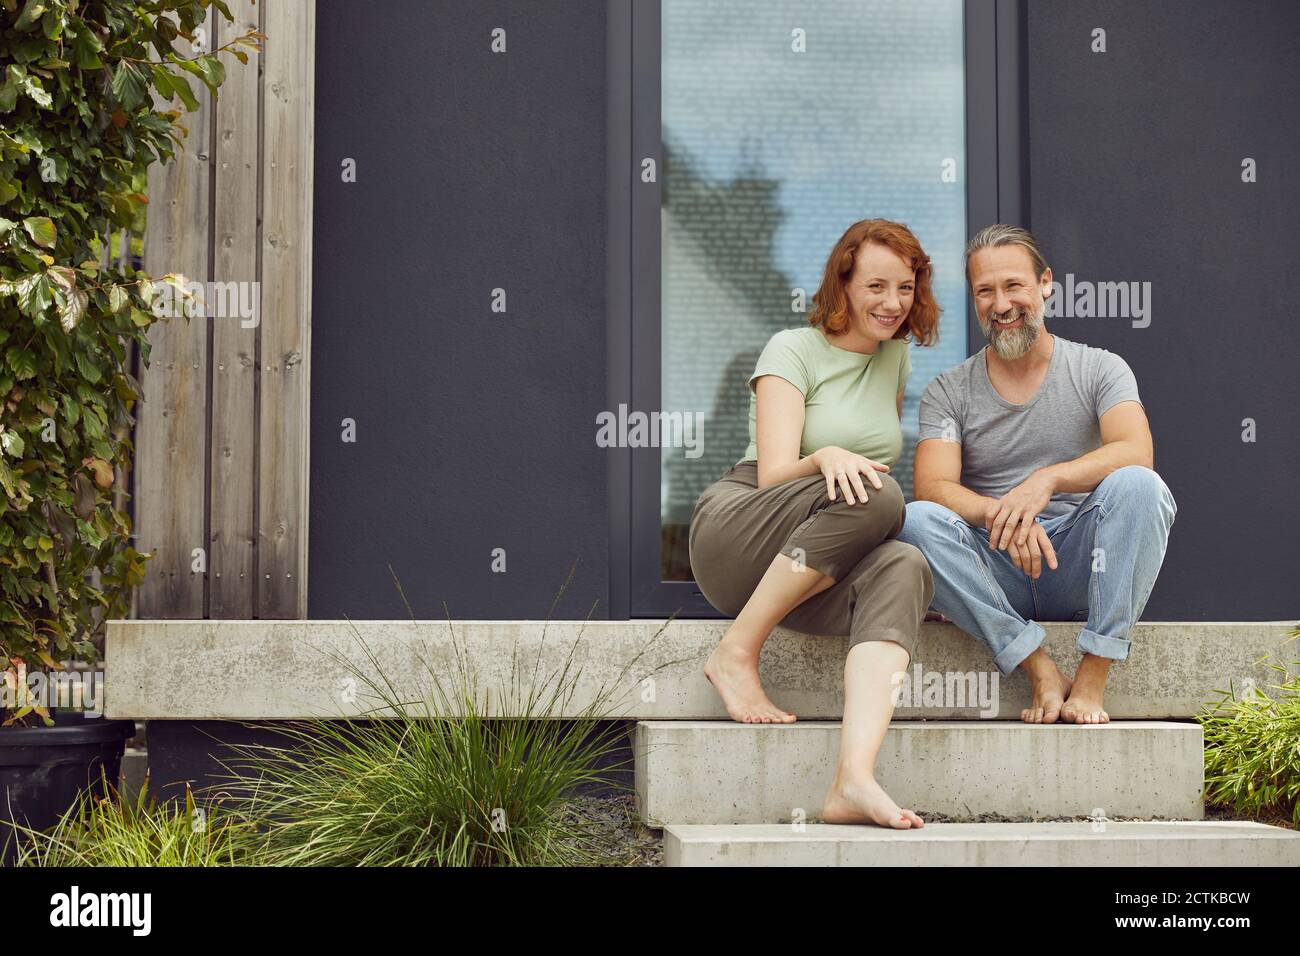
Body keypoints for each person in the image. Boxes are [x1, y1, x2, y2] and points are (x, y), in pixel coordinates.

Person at [688, 219, 938, 828]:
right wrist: (825, 455)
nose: (891, 303)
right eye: (875, 285)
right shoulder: (791, 349)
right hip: (740, 526)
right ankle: (736, 653)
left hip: (805, 562)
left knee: (905, 563)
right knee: (881, 497)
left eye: (904, 288)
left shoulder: (894, 357)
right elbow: (775, 473)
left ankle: (852, 780)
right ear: (843, 283)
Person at [897, 224, 1176, 725]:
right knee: (914, 520)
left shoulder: (1100, 368)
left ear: (1045, 283)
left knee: (1141, 486)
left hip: (1077, 561)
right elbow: (933, 487)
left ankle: (1092, 675)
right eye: (985, 291)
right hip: (994, 567)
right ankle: (1039, 667)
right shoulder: (948, 390)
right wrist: (1004, 515)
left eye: (1013, 286)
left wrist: (1045, 481)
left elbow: (1136, 451)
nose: (1001, 304)